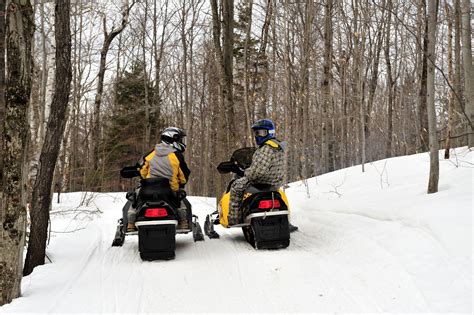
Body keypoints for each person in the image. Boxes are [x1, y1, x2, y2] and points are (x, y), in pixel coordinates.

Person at [127, 127, 191, 232]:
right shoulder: (176, 156)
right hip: (169, 191)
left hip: (147, 190)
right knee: (180, 202)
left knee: (134, 201)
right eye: (179, 139)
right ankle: (183, 222)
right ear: (172, 139)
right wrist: (181, 183)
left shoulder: (150, 154)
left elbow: (143, 172)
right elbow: (183, 176)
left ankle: (130, 223)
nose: (181, 142)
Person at [228, 119, 285, 225]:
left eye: (261, 132)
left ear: (270, 132)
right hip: (275, 183)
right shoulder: (279, 147)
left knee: (235, 187)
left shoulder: (266, 148)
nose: (258, 135)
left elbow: (257, 173)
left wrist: (246, 173)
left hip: (261, 181)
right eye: (256, 133)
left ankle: (235, 219)